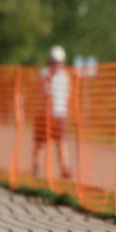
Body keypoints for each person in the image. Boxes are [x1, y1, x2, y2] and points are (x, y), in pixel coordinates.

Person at [33, 45, 72, 179]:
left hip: (59, 115)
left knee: (61, 142)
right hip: (43, 114)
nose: (56, 65)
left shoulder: (65, 77)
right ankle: (36, 167)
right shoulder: (44, 74)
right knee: (40, 143)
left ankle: (65, 168)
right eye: (54, 62)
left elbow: (67, 95)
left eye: (58, 62)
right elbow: (40, 92)